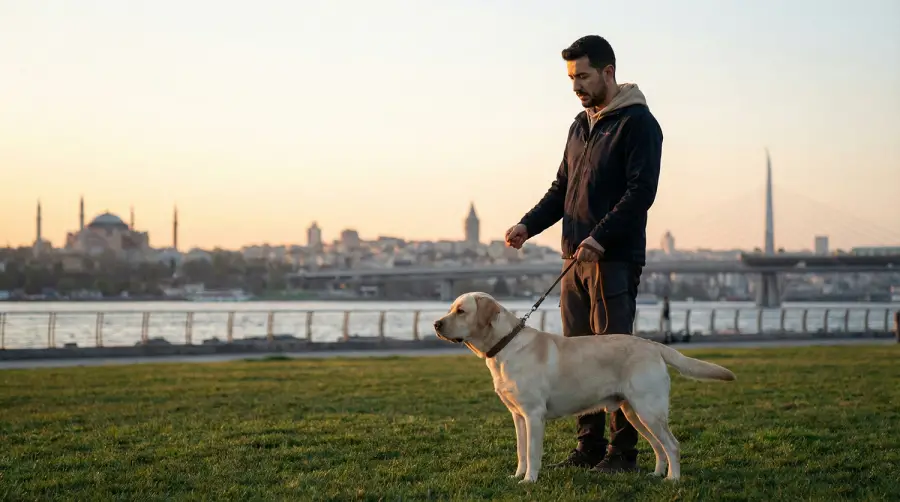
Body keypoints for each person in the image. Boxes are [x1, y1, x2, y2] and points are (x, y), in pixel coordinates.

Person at [505, 35, 663, 474]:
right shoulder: (579, 125)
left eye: (583, 76)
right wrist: (527, 225)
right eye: (571, 77)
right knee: (575, 358)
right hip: (573, 262)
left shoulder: (638, 123)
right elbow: (562, 190)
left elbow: (640, 193)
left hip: (612, 260)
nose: (575, 85)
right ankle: (588, 447)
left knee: (613, 358)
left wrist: (601, 237)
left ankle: (622, 454)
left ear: (608, 72)